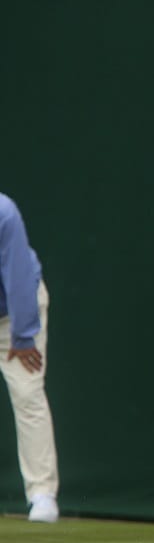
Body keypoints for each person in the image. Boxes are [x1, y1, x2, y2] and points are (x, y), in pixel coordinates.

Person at [0, 192, 59, 523]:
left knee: (27, 393)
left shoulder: (3, 214)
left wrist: (23, 336)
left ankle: (42, 495)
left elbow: (18, 276)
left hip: (14, 318)